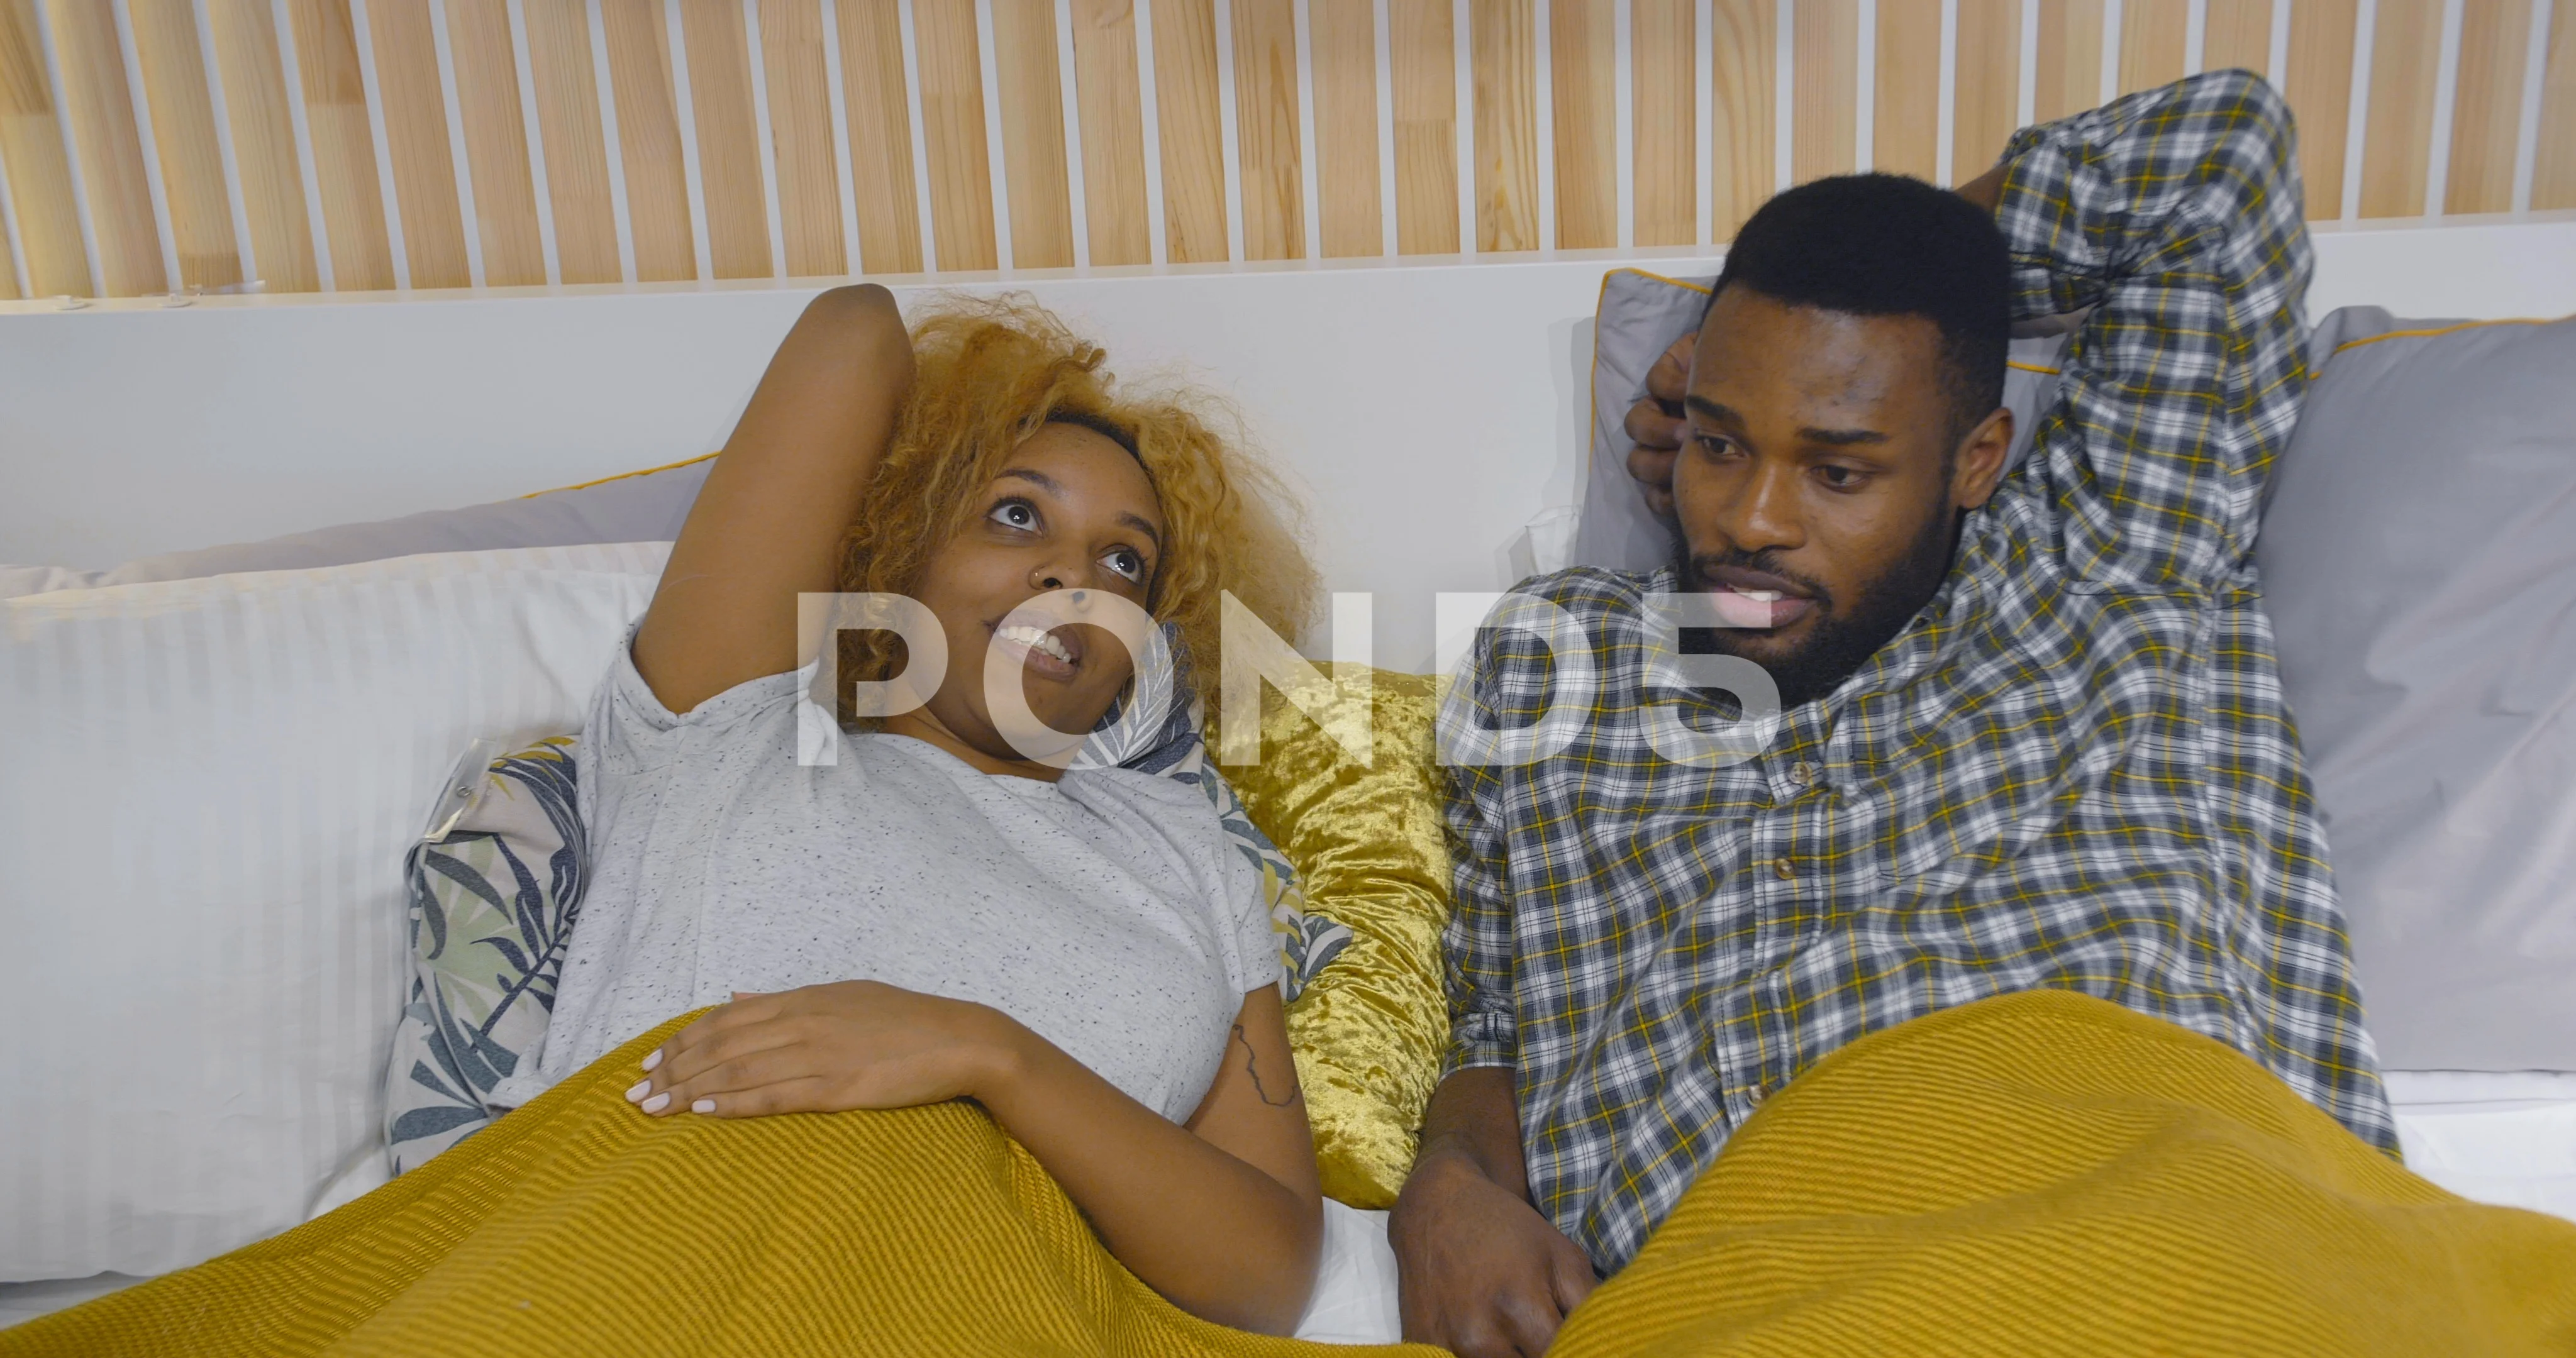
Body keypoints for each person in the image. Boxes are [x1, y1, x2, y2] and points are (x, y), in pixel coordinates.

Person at [1391, 69, 2399, 1356]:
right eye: (1717, 443)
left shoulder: (2101, 570)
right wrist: (1449, 1186)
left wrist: (1842, 292)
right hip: (1724, 1300)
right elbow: (1490, 1015)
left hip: (2157, 1263)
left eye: (1836, 466)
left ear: (1975, 459)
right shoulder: (1549, 660)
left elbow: (2211, 163)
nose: (1751, 519)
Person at [523, 286, 1328, 1335]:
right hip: (651, 1293)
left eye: (1122, 561)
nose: (1068, 574)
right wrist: (994, 394)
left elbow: (1267, 1275)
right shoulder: (732, 735)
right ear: (899, 548)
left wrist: (989, 1054)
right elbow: (852, 334)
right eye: (1014, 513)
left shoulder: (1186, 856)